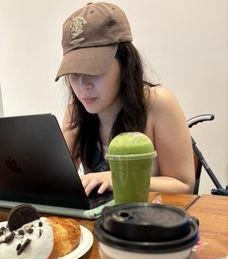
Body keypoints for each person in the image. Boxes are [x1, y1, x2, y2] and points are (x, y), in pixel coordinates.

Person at [55, 2, 195, 195]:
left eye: (94, 69)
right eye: (73, 73)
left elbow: (183, 184)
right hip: (100, 222)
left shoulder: (157, 103)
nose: (82, 85)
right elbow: (56, 180)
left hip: (148, 218)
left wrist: (117, 179)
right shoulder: (76, 110)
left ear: (125, 62)